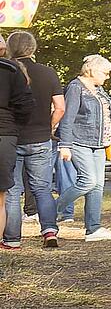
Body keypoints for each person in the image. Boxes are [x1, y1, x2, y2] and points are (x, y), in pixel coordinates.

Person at [3, 31, 64, 250]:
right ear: (33, 48)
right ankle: (49, 230)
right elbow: (60, 107)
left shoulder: (6, 72)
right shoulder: (48, 73)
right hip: (40, 138)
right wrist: (49, 126)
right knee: (42, 188)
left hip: (11, 137)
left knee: (12, 190)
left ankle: (12, 238)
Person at [56, 55, 111, 240]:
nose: (107, 77)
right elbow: (68, 118)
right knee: (88, 181)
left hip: (98, 144)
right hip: (78, 141)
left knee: (98, 185)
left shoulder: (99, 90)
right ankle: (50, 211)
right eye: (105, 73)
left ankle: (93, 229)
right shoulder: (76, 88)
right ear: (91, 71)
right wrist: (65, 145)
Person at [0, 53, 33, 251]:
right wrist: (13, 127)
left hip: (5, 131)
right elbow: (26, 105)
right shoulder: (10, 70)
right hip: (4, 134)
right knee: (0, 196)